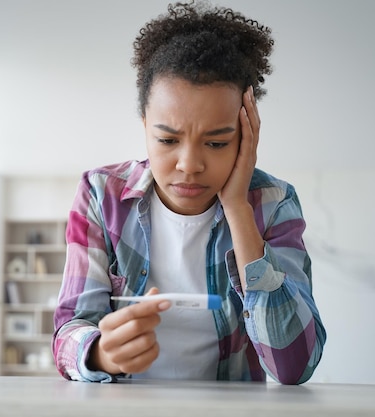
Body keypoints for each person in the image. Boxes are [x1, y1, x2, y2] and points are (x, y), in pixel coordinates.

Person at [52, 1, 326, 385]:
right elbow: (69, 330)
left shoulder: (273, 204)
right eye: (167, 139)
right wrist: (99, 353)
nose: (189, 164)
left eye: (216, 143)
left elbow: (294, 366)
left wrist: (237, 209)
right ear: (145, 125)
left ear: (246, 136)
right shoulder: (101, 196)